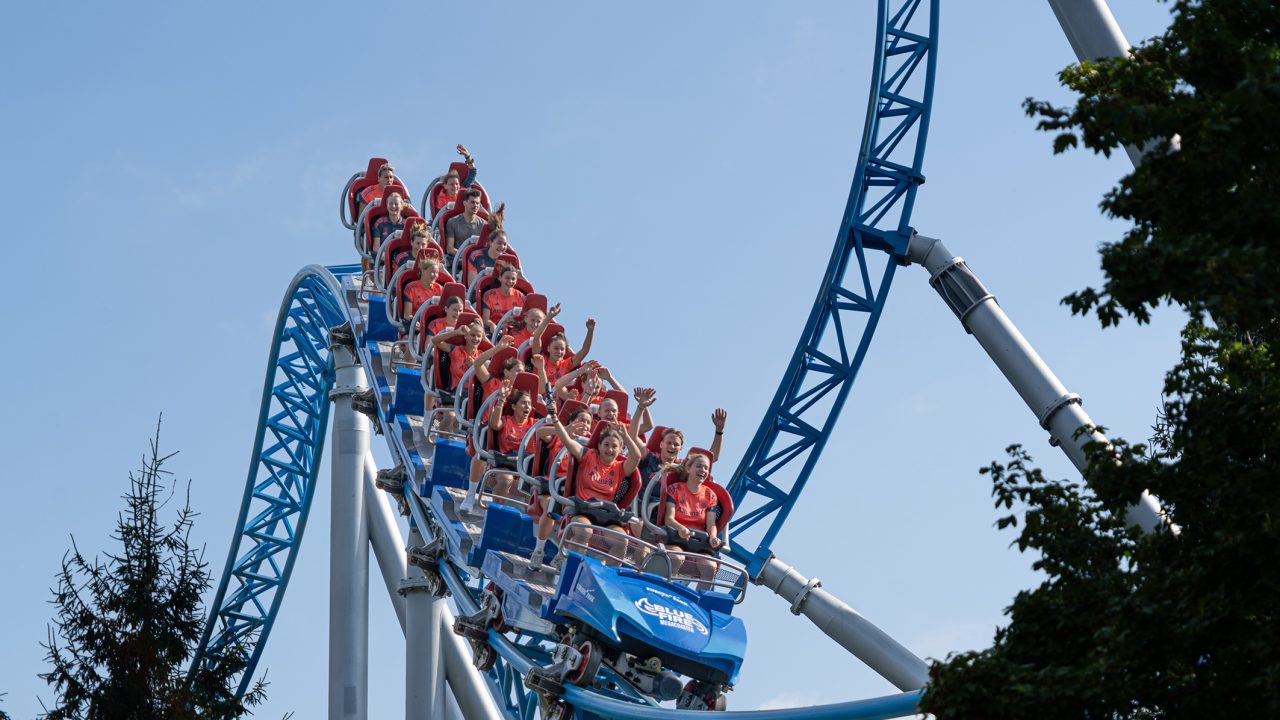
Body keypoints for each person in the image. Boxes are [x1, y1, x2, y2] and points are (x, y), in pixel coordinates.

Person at [548, 411, 645, 547]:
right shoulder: (588, 455)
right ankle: (568, 563)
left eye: (614, 446)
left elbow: (636, 457)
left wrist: (625, 436)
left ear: (620, 449)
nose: (610, 449)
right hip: (583, 509)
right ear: (599, 445)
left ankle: (606, 567)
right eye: (606, 445)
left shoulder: (620, 467)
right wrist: (554, 416)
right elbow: (567, 441)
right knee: (584, 532)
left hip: (606, 515)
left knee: (621, 542)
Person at [525, 400, 593, 569]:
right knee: (550, 507)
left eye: (588, 422)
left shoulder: (590, 448)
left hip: (574, 493)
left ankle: (563, 555)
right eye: (581, 420)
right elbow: (540, 433)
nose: (585, 424)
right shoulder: (557, 438)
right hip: (552, 488)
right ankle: (538, 551)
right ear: (570, 422)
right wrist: (566, 431)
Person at [533, 316, 596, 388]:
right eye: (556, 348)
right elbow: (537, 337)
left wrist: (590, 331)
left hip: (555, 396)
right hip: (538, 393)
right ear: (548, 348)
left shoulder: (566, 364)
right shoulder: (540, 358)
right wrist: (549, 316)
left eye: (562, 349)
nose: (559, 351)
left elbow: (584, 351)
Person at [480, 262, 527, 331]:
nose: (510, 281)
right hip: (494, 330)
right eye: (507, 278)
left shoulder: (520, 297)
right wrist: (492, 325)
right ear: (500, 278)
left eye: (513, 279)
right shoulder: (489, 295)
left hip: (513, 331)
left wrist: (515, 324)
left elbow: (524, 320)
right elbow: (485, 320)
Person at [401, 249, 444, 322]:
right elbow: (407, 315)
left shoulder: (440, 289)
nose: (435, 275)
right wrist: (414, 323)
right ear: (423, 271)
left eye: (437, 273)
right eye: (432, 272)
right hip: (415, 324)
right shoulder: (411, 288)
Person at [434, 144, 477, 214]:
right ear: (445, 186)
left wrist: (467, 156)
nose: (455, 186)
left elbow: (473, 172)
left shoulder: (463, 189)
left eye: (457, 184)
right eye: (452, 184)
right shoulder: (441, 200)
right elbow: (440, 219)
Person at [444, 189, 486, 256]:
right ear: (464, 203)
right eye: (472, 202)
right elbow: (450, 249)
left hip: (477, 262)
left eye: (477, 203)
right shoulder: (452, 222)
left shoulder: (484, 224)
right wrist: (466, 256)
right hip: (458, 261)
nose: (475, 205)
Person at [370, 186, 408, 256]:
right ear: (387, 206)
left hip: (402, 261)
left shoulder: (406, 225)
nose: (393, 206)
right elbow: (376, 249)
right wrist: (388, 260)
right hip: (383, 259)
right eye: (391, 204)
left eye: (396, 204)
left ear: (402, 206)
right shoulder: (379, 223)